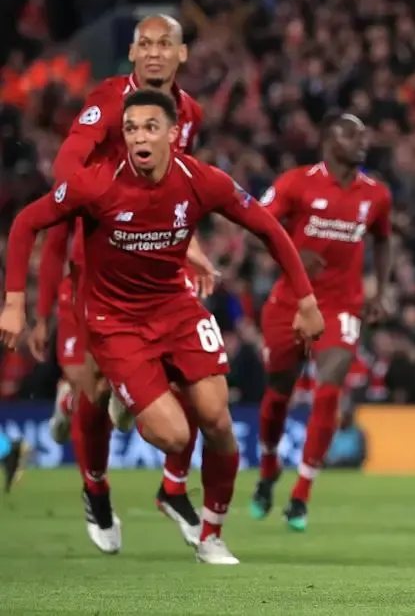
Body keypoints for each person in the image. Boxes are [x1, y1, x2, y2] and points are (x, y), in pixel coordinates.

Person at [0, 89, 325, 564]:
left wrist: (307, 298)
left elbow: (268, 228)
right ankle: (121, 399)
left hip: (176, 307)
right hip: (116, 322)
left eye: (151, 127)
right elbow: (28, 221)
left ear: (174, 133)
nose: (139, 137)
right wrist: (15, 304)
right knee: (174, 436)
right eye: (131, 129)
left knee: (217, 419)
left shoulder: (201, 180)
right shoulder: (97, 183)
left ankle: (211, 533)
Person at [28, 14, 215, 551]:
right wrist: (96, 198)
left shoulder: (190, 115)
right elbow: (67, 162)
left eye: (165, 45)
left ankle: (172, 484)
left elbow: (183, 186)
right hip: (95, 274)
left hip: (156, 272)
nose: (155, 54)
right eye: (145, 45)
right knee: (95, 389)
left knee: (192, 374)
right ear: (133, 53)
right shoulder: (107, 101)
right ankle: (96, 488)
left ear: (181, 54)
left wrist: (192, 246)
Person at [250, 112, 393, 531]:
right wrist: (291, 249)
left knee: (330, 387)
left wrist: (378, 292)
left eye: (365, 135)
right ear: (329, 141)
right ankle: (269, 467)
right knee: (278, 394)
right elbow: (256, 224)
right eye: (352, 135)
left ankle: (301, 494)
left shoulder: (376, 195)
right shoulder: (296, 182)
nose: (362, 141)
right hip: (289, 303)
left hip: (342, 307)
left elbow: (383, 240)